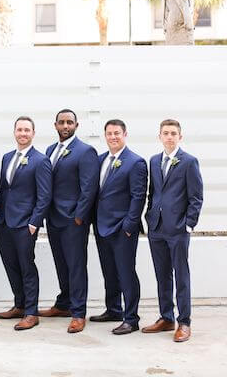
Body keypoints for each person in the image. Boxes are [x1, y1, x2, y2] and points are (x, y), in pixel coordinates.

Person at [143, 119, 203, 342]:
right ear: (159, 136)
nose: (169, 137)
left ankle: (184, 322)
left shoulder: (189, 162)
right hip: (157, 228)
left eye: (173, 133)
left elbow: (196, 197)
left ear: (180, 137)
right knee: (162, 275)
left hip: (178, 229)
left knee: (181, 275)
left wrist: (188, 224)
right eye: (165, 133)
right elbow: (153, 193)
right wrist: (150, 218)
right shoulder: (154, 161)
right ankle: (166, 317)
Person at [40, 109, 99, 334]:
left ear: (76, 125)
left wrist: (79, 217)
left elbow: (89, 188)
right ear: (55, 125)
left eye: (70, 123)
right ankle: (63, 304)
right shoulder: (50, 150)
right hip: (53, 218)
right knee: (61, 264)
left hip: (73, 220)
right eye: (62, 122)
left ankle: (77, 312)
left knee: (75, 266)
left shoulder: (85, 151)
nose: (66, 126)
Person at [0, 116, 52, 331]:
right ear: (14, 132)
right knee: (11, 265)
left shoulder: (40, 160)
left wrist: (34, 222)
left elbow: (44, 195)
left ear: (33, 134)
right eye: (19, 130)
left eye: (27, 130)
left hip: (25, 224)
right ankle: (19, 304)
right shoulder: (8, 157)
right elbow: (2, 189)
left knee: (27, 266)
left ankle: (31, 311)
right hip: (4, 223)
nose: (23, 133)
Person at [90, 119, 147, 335]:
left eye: (117, 133)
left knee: (126, 273)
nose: (113, 137)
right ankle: (113, 309)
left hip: (123, 229)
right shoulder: (100, 159)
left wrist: (129, 226)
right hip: (102, 226)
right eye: (109, 133)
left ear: (125, 134)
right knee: (109, 271)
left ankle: (131, 318)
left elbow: (138, 196)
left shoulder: (135, 162)